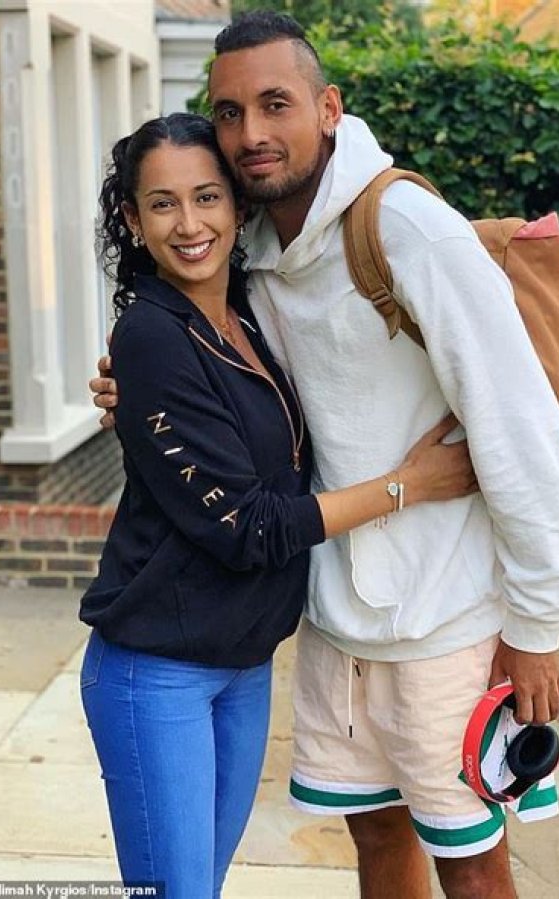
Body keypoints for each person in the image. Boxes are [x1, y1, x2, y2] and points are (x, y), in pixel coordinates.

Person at [91, 12, 559, 899]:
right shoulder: (254, 252)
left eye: (275, 103)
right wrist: (142, 386)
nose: (251, 132)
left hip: (446, 620)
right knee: (377, 842)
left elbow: (521, 430)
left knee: (473, 868)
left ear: (328, 108)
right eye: (230, 112)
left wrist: (537, 626)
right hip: (334, 618)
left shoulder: (409, 230)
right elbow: (226, 384)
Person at [79, 111, 476, 899]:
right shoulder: (153, 337)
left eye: (206, 197)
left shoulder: (248, 313)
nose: (189, 224)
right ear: (133, 218)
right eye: (162, 203)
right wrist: (411, 484)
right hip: (156, 671)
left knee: (201, 883)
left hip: (243, 662)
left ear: (237, 205)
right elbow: (250, 526)